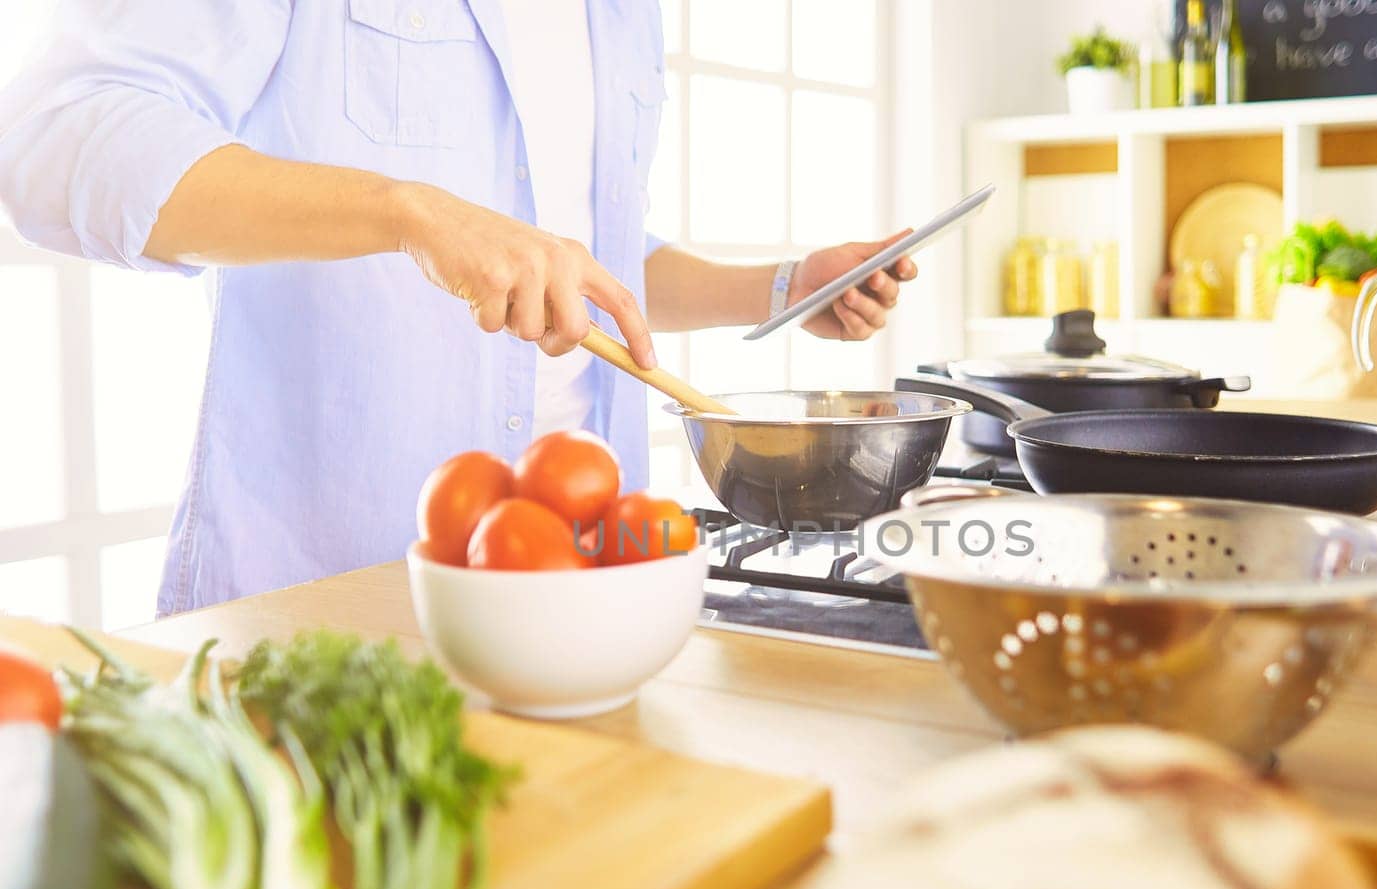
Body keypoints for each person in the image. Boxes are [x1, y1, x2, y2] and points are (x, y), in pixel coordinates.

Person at [0, 0, 915, 613]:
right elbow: (56, 130)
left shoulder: (624, 15)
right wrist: (406, 212)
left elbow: (574, 260)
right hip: (326, 603)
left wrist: (782, 286)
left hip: (590, 595)